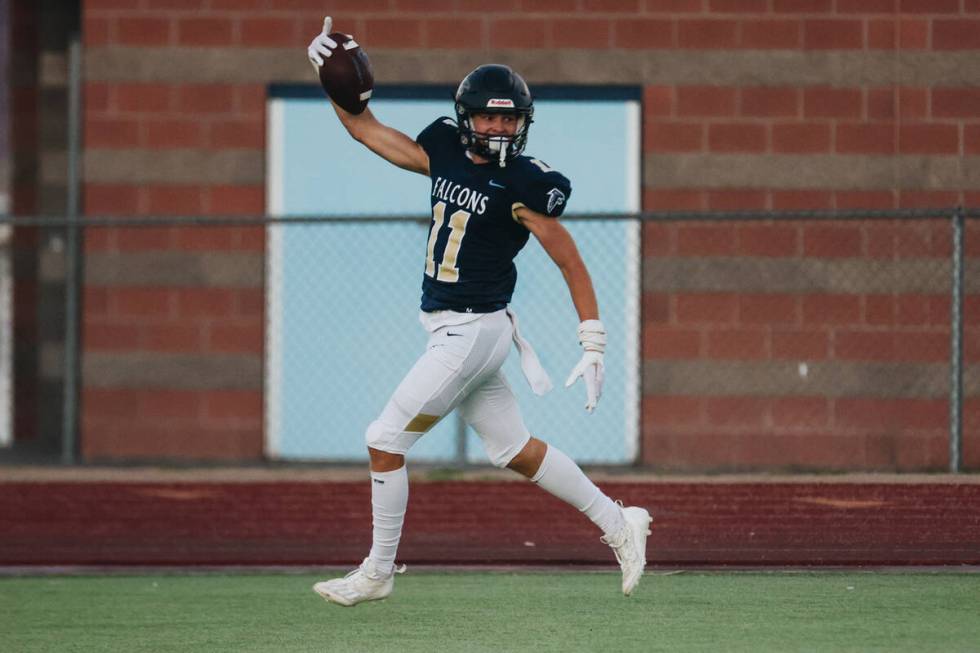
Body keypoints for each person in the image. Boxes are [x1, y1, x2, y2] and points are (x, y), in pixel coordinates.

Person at [306, 17, 652, 607]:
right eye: (489, 116)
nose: (498, 127)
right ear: (466, 117)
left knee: (384, 440)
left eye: (509, 118)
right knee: (516, 450)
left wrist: (592, 337)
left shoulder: (525, 182)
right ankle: (623, 524)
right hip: (457, 328)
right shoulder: (442, 149)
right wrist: (333, 84)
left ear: (524, 122)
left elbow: (570, 262)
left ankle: (378, 570)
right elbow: (366, 130)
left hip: (473, 331)